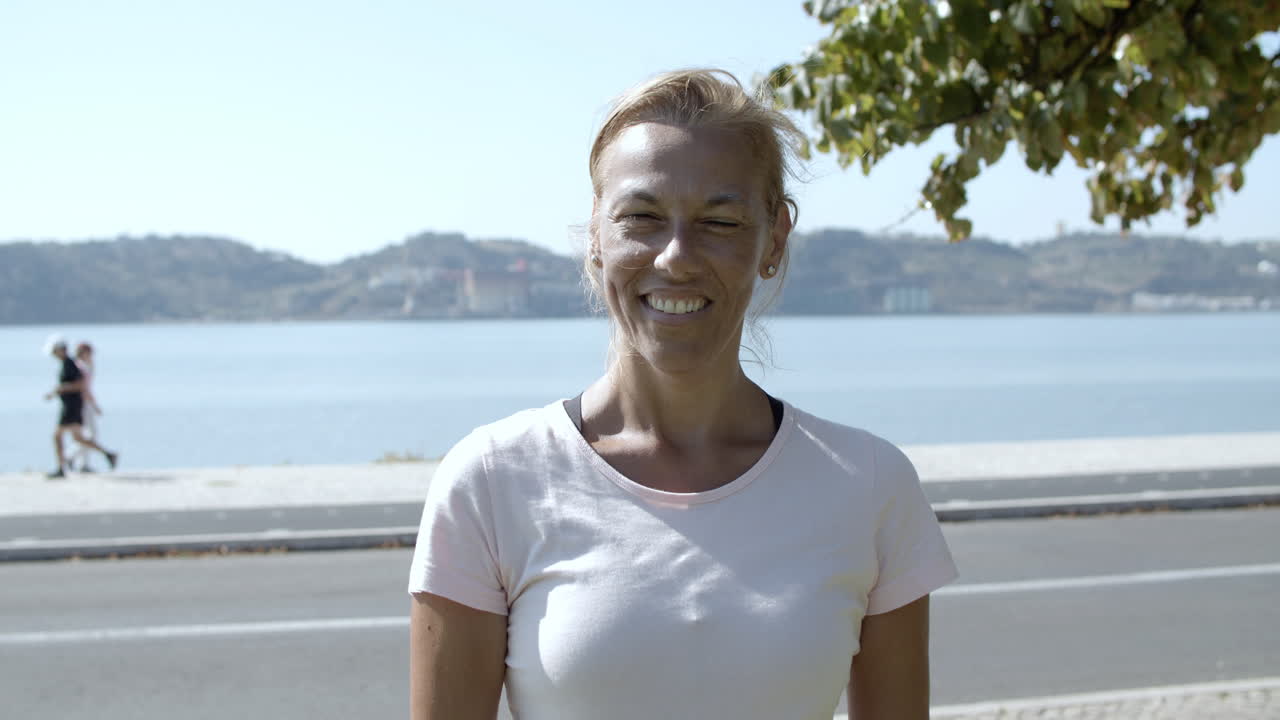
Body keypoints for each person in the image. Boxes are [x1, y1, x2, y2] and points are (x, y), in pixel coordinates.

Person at [407, 69, 957, 720]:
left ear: (773, 239)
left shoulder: (870, 485)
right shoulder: (492, 480)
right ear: (595, 235)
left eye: (719, 222)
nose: (676, 257)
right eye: (642, 217)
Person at [43, 335, 118, 479]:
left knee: (57, 436)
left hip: (71, 406)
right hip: (73, 405)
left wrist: (61, 389)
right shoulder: (68, 364)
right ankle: (108, 454)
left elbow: (81, 385)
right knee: (78, 438)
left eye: (54, 351)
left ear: (60, 350)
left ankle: (61, 468)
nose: (53, 354)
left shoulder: (70, 364)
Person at [69, 342, 104, 472]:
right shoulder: (81, 367)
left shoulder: (83, 366)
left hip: (84, 403)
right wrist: (95, 406)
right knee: (89, 434)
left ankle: (81, 462)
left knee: (87, 434)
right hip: (83, 403)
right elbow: (85, 389)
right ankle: (71, 456)